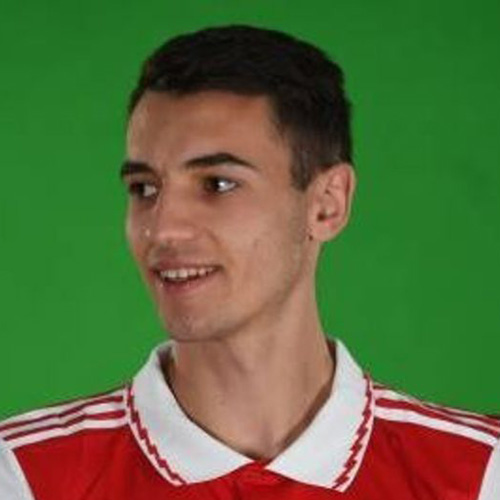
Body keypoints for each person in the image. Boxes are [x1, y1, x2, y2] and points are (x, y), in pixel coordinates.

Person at [0, 24, 498, 500]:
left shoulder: (481, 475)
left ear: (327, 204)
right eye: (144, 188)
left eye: (217, 184)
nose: (163, 228)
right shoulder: (23, 476)